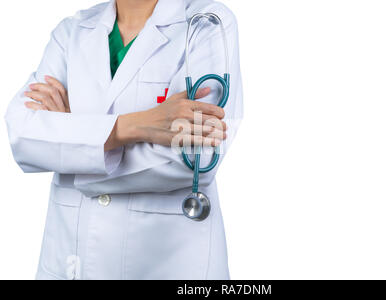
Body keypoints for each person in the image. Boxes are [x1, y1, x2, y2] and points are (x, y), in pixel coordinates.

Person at [4, 0, 243, 280]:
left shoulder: (206, 23)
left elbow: (196, 158)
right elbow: (23, 134)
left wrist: (71, 138)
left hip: (167, 262)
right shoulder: (71, 31)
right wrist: (136, 125)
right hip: (69, 260)